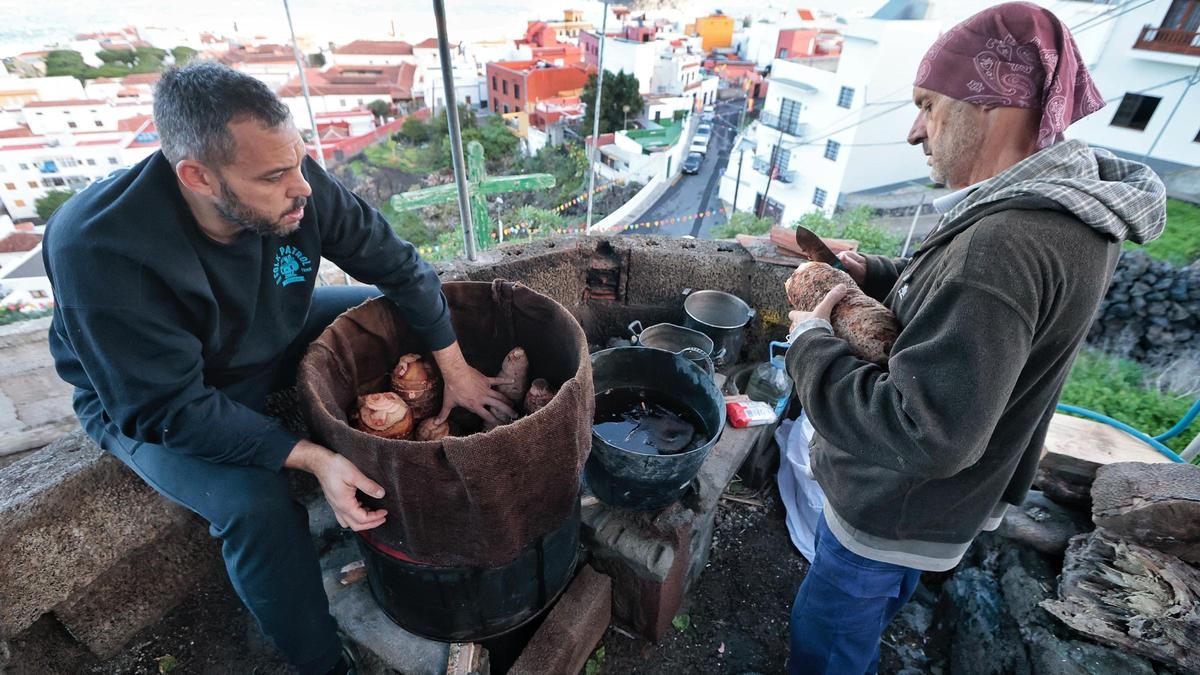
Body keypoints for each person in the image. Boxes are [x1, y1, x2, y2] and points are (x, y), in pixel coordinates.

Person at [43, 62, 518, 674]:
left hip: (270, 328)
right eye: (274, 176)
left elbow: (399, 267)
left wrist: (454, 367)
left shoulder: (293, 181)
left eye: (298, 160)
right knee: (256, 508)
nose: (302, 188)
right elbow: (167, 410)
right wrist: (314, 457)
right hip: (156, 396)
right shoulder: (99, 249)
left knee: (391, 318)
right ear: (197, 176)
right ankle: (322, 661)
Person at [782, 3, 1166, 673]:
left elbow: (925, 432)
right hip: (946, 509)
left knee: (826, 645)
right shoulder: (1070, 210)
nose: (914, 131)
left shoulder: (1004, 244)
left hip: (892, 510)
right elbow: (963, 303)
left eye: (928, 106)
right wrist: (874, 274)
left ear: (991, 106)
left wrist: (810, 343)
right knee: (868, 622)